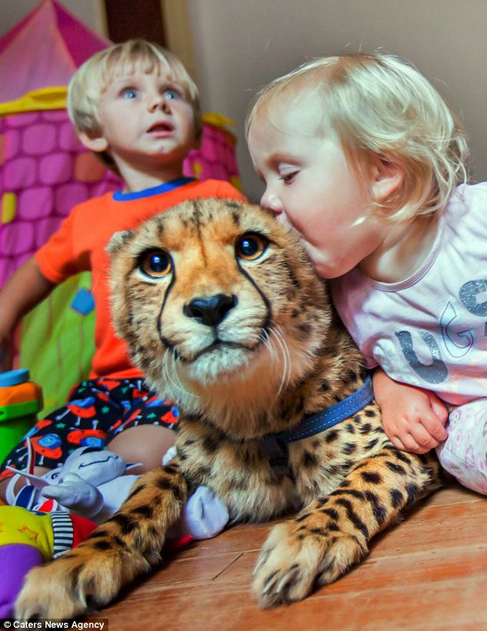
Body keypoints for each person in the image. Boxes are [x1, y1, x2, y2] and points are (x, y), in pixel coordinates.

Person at [0, 39, 245, 499]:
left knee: (134, 457)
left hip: (184, 380)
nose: (157, 102)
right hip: (104, 388)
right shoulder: (87, 219)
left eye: (172, 93)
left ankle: (116, 506)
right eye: (131, 93)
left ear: (195, 131)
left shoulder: (217, 196)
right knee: (20, 466)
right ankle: (63, 514)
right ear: (94, 134)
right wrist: (5, 316)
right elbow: (35, 273)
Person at [246, 52, 487, 496]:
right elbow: (366, 366)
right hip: (474, 414)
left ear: (383, 172)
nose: (267, 200)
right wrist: (390, 387)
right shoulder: (339, 295)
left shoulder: (475, 221)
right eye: (265, 180)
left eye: (287, 175)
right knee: (456, 452)